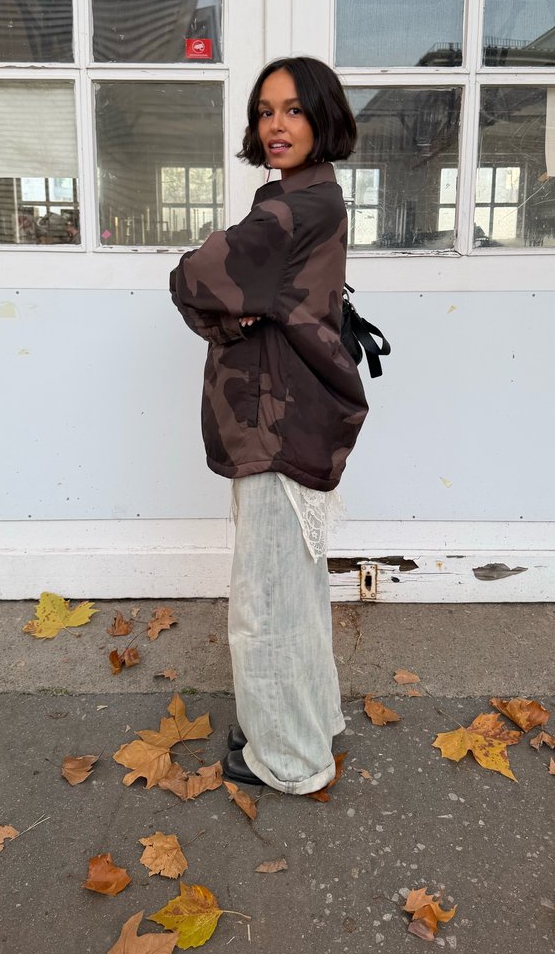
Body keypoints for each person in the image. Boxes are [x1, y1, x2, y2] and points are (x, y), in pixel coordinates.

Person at [169, 56, 369, 794]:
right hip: (290, 416)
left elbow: (192, 276)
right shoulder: (310, 197)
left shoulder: (287, 213)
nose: (275, 125)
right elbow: (228, 291)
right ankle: (306, 725)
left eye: (292, 110)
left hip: (274, 423)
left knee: (267, 601)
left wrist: (230, 309)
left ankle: (287, 759)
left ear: (322, 117)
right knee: (293, 590)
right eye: (264, 111)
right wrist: (240, 313)